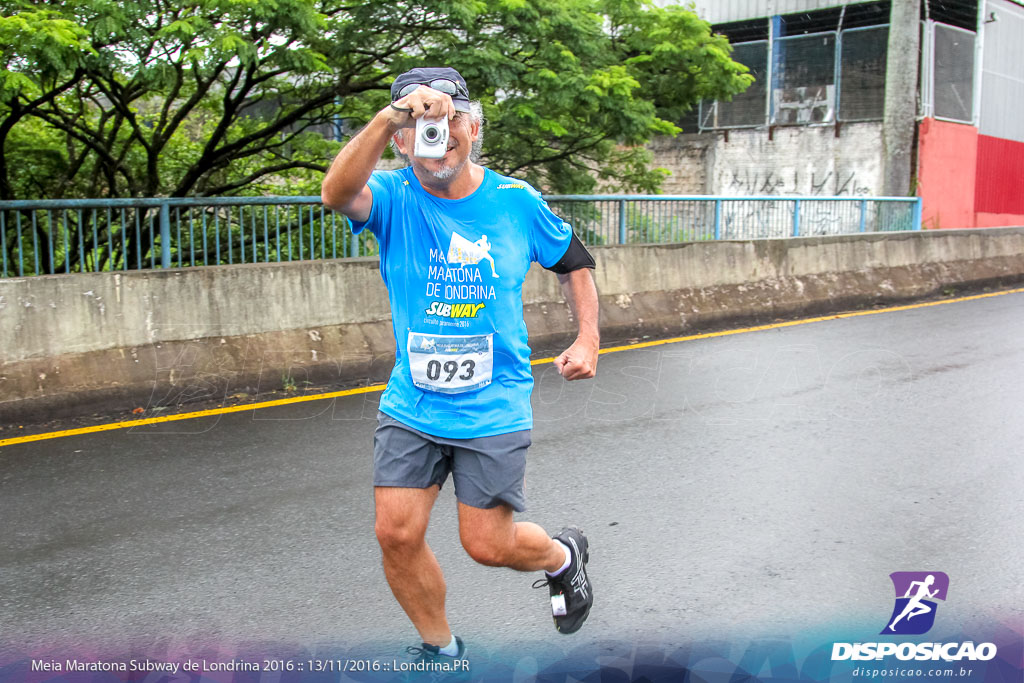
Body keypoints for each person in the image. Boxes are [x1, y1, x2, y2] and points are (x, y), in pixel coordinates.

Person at [320, 67, 600, 661]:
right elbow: (336, 194)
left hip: (493, 405)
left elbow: (574, 260)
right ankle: (440, 651)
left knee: (487, 545)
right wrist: (389, 115)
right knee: (395, 533)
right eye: (419, 129)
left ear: (473, 127)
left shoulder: (515, 201)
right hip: (413, 402)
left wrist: (589, 337)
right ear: (400, 141)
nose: (436, 138)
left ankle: (561, 556)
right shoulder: (393, 196)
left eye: (449, 125)